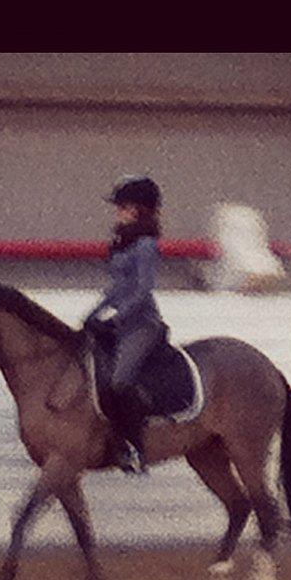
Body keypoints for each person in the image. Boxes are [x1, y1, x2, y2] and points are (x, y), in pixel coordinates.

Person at [83, 175, 167, 475]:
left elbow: (143, 291)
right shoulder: (123, 241)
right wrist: (93, 315)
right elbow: (116, 289)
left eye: (123, 206)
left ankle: (135, 447)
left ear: (139, 209)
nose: (117, 211)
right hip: (119, 322)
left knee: (119, 381)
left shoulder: (145, 245)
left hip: (141, 325)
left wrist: (116, 317)